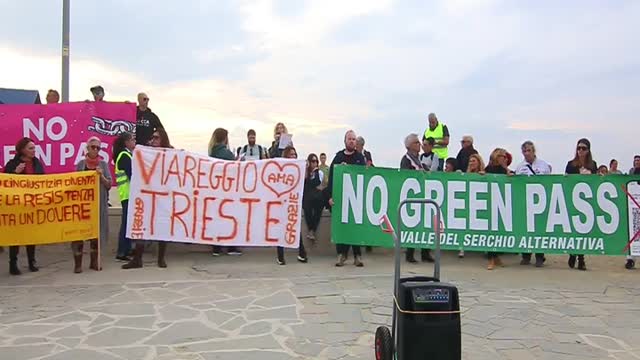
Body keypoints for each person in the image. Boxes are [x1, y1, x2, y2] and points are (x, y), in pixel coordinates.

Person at [123, 128, 171, 269]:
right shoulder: (146, 152)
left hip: (163, 195)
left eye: (156, 137)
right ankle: (137, 259)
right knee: (142, 225)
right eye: (152, 137)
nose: (154, 140)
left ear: (163, 139)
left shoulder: (170, 153)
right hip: (147, 194)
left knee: (162, 225)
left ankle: (161, 258)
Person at [326, 130, 367, 267]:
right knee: (341, 228)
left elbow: (364, 176)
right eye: (350, 139)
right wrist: (330, 197)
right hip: (341, 199)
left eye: (354, 139)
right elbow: (331, 178)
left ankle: (357, 255)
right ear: (345, 141)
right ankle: (341, 255)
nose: (352, 141)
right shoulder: (338, 157)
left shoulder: (360, 158)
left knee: (355, 228)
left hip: (355, 199)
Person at [72, 137, 111, 273]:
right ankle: (78, 263)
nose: (95, 150)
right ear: (87, 148)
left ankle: (94, 262)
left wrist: (101, 176)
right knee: (79, 235)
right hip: (83, 205)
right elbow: (74, 184)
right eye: (93, 147)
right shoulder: (81, 164)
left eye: (98, 148)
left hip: (98, 205)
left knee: (96, 234)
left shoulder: (103, 165)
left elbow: (109, 185)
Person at [4, 138, 43, 275]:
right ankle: (13, 263)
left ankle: (31, 261)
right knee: (16, 235)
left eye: (34, 148)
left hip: (32, 205)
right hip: (17, 206)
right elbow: (5, 183)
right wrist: (15, 173)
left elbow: (44, 180)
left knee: (31, 235)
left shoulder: (37, 163)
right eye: (30, 148)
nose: (34, 151)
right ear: (22, 150)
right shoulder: (12, 164)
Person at [515, 141, 552, 267]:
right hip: (525, 202)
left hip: (539, 200)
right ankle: (526, 255)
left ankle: (540, 256)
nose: (527, 153)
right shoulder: (520, 167)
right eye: (524, 151)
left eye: (529, 150)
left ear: (533, 151)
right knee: (526, 229)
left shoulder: (543, 165)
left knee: (539, 230)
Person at [400, 133, 435, 263]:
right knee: (412, 226)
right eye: (416, 142)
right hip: (412, 197)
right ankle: (410, 253)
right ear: (409, 146)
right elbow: (404, 176)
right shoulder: (406, 160)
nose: (419, 144)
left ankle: (425, 252)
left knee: (425, 225)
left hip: (423, 196)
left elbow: (426, 170)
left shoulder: (418, 159)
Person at [208, 128, 242, 257]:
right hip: (228, 191)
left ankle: (216, 247)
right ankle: (231, 246)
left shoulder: (211, 153)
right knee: (229, 218)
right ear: (225, 138)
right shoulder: (226, 154)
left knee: (216, 218)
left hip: (215, 191)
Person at [565, 138, 598, 271]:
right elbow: (566, 181)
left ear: (588, 150)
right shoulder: (571, 164)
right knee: (574, 230)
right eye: (579, 148)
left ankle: (581, 258)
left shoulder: (592, 165)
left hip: (586, 202)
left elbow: (595, 182)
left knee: (583, 230)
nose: (580, 151)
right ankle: (573, 253)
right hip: (574, 200)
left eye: (583, 148)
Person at [276, 146, 308, 265]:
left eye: (295, 154)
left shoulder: (298, 169)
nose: (293, 156)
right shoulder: (282, 169)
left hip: (293, 202)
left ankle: (302, 253)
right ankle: (280, 256)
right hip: (283, 202)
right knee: (281, 228)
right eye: (291, 154)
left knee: (294, 226)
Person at [484, 148, 514, 270]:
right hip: (490, 202)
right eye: (502, 156)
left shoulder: (503, 170)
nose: (504, 158)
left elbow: (511, 177)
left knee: (499, 231)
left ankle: (496, 257)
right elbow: (483, 175)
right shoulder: (489, 168)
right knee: (491, 231)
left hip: (502, 203)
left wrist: (506, 168)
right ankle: (491, 259)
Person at [113, 132, 136, 262]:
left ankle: (126, 249)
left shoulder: (126, 155)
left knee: (128, 223)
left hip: (127, 194)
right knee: (126, 224)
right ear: (126, 142)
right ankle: (122, 251)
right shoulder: (125, 156)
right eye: (132, 140)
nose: (134, 142)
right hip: (127, 194)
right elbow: (132, 175)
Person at [303, 153, 324, 242]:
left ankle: (312, 230)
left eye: (316, 161)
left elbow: (317, 183)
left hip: (316, 197)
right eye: (312, 161)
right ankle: (311, 229)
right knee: (307, 209)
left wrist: (315, 172)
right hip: (307, 196)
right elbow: (306, 183)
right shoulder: (305, 172)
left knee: (318, 210)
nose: (314, 163)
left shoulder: (319, 173)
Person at [626, 156, 640, 270]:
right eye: (635, 161)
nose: (637, 162)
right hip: (634, 204)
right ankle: (630, 259)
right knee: (633, 232)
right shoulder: (631, 172)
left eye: (638, 161)